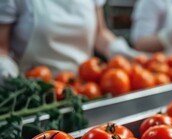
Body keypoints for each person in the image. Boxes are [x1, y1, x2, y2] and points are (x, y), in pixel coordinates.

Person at [0, 0, 141, 81]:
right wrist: (5, 70)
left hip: (83, 86)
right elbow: (2, 47)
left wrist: (118, 50)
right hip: (35, 91)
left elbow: (100, 33)